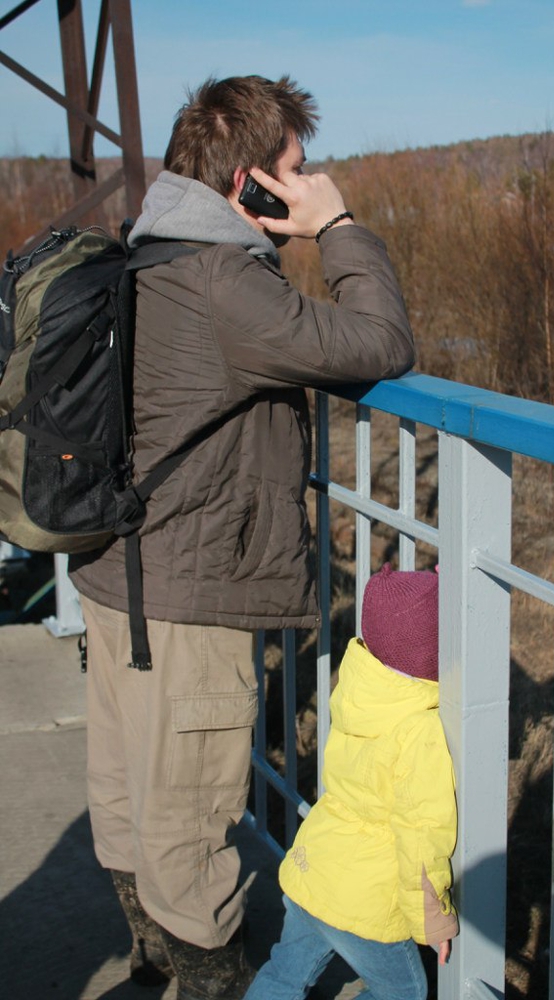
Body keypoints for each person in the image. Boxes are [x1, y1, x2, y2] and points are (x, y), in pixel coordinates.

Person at [68, 75, 415, 1000]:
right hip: (186, 598)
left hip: (117, 577)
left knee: (133, 795)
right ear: (252, 183)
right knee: (188, 820)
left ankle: (151, 962)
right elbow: (381, 342)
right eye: (298, 171)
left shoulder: (144, 251)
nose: (311, 182)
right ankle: (208, 979)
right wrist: (337, 226)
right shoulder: (222, 282)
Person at [243, 563, 458, 1000]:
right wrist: (432, 920)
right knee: (405, 994)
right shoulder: (420, 730)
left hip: (315, 868)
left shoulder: (358, 687)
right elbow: (421, 837)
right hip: (366, 899)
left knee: (285, 973)